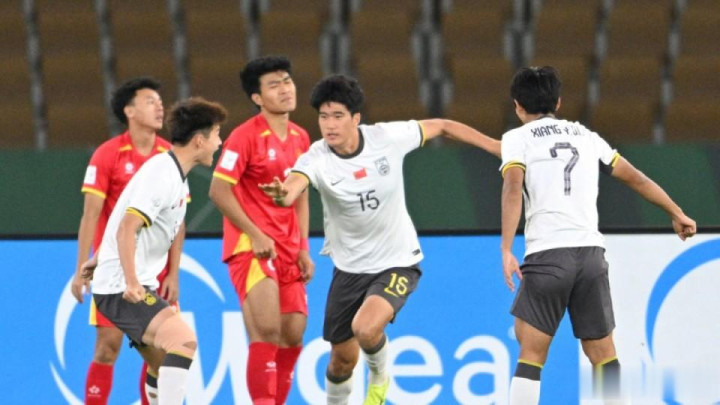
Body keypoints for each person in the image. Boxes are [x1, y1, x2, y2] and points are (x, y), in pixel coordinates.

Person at [259, 74, 501, 405]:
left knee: (366, 328)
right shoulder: (317, 157)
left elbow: (443, 126)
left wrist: (494, 146)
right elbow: (292, 187)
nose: (329, 125)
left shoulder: (386, 138)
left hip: (397, 261)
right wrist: (282, 194)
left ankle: (380, 377)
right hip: (349, 269)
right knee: (341, 362)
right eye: (323, 117)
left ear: (356, 118)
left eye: (338, 116)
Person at [499, 66, 697, 403]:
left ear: (517, 105)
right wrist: (675, 211)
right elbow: (635, 177)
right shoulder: (586, 136)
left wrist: (506, 249)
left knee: (531, 353)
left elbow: (513, 187)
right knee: (604, 354)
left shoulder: (517, 138)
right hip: (591, 256)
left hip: (548, 254)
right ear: (558, 103)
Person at [82, 97, 227, 404]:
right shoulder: (162, 174)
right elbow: (127, 227)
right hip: (122, 288)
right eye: (216, 134)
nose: (220, 142)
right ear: (199, 141)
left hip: (123, 282)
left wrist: (99, 259)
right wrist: (131, 282)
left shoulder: (173, 174)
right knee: (183, 342)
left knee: (161, 365)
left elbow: (122, 216)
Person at [208, 56, 313, 405]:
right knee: (267, 330)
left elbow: (301, 195)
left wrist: (303, 247)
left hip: (288, 248)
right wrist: (253, 233)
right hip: (251, 247)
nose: (285, 89)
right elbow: (218, 190)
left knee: (293, 334)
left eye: (287, 81)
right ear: (257, 97)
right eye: (274, 85)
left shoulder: (301, 138)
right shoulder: (244, 137)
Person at [71, 77, 182, 405]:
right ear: (129, 111)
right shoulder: (107, 155)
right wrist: (80, 268)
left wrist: (174, 273)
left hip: (157, 272)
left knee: (160, 350)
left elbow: (178, 220)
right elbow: (90, 215)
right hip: (116, 272)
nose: (159, 107)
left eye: (160, 101)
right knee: (108, 347)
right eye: (150, 101)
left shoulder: (170, 156)